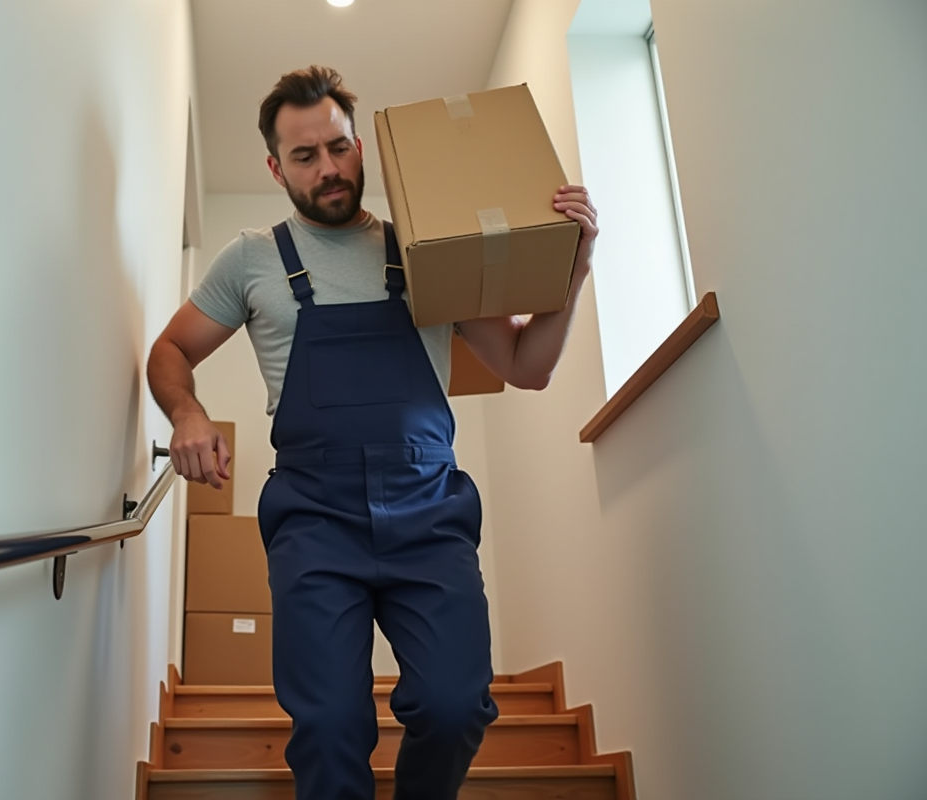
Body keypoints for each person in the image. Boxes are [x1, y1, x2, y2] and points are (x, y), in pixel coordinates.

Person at [147, 65, 598, 800]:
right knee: (326, 724)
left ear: (362, 147)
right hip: (315, 519)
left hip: (429, 510)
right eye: (305, 156)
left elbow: (525, 364)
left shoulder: (429, 247)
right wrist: (188, 414)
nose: (328, 169)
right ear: (275, 166)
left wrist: (572, 272)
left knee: (456, 707)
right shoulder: (252, 259)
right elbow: (170, 351)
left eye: (340, 147)